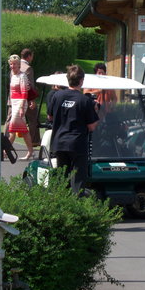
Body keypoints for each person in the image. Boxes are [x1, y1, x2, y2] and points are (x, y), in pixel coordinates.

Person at [48, 65, 99, 194]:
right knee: (78, 180)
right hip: (77, 144)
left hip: (59, 143)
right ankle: (76, 208)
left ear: (67, 80)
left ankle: (62, 206)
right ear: (81, 80)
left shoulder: (57, 96)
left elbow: (50, 116)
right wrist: (96, 112)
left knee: (62, 179)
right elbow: (92, 126)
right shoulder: (85, 100)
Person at [7, 55, 34, 160]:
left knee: (13, 126)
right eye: (11, 64)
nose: (12, 66)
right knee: (22, 130)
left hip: (20, 103)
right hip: (14, 102)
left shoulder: (22, 76)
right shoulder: (12, 75)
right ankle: (30, 151)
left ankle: (6, 150)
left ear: (19, 65)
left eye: (14, 64)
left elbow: (24, 92)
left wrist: (22, 107)